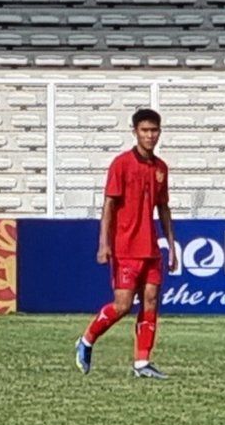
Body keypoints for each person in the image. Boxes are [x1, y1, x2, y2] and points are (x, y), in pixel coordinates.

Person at [76, 109, 178, 379]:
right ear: (135, 132)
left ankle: (142, 362)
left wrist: (172, 245)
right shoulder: (121, 164)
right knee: (122, 305)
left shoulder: (160, 168)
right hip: (126, 246)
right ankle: (86, 340)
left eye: (154, 130)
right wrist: (103, 243)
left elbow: (164, 208)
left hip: (151, 249)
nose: (150, 136)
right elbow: (109, 205)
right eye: (144, 130)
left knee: (151, 301)